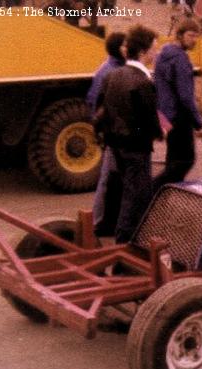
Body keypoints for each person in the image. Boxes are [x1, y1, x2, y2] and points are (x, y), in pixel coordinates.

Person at [95, 25, 162, 243]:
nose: (156, 53)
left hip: (116, 143)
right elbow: (149, 118)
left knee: (122, 190)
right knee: (137, 196)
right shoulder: (143, 81)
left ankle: (116, 232)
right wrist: (158, 133)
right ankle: (126, 243)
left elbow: (101, 110)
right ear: (143, 52)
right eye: (154, 48)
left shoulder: (113, 75)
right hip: (136, 147)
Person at [153, 19, 202, 193]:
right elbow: (185, 96)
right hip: (178, 117)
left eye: (196, 36)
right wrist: (198, 123)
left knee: (173, 160)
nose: (194, 40)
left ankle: (163, 201)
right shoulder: (181, 59)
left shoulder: (162, 54)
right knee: (185, 161)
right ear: (180, 35)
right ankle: (150, 193)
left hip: (164, 114)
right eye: (190, 35)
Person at [87, 32, 126, 237]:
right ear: (120, 49)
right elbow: (99, 102)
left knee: (112, 175)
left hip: (109, 129)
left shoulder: (109, 67)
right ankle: (98, 222)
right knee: (107, 177)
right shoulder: (113, 71)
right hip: (113, 130)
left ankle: (107, 219)